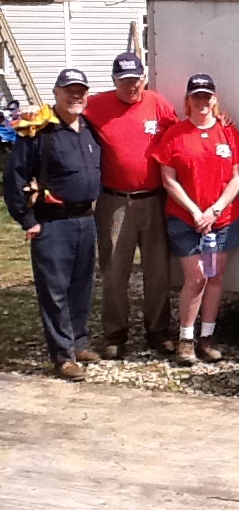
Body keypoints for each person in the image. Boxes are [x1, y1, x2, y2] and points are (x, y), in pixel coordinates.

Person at [2, 69, 102, 380]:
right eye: (69, 90)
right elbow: (14, 178)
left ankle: (78, 342)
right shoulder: (39, 132)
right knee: (55, 290)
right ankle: (62, 356)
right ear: (56, 93)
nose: (76, 96)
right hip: (51, 223)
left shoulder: (88, 129)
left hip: (86, 220)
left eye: (81, 91)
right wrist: (27, 219)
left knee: (81, 285)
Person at [84, 52, 179, 358]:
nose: (131, 87)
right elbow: (66, 117)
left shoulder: (157, 103)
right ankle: (114, 334)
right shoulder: (96, 106)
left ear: (144, 78)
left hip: (153, 199)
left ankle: (158, 331)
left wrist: (219, 114)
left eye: (136, 80)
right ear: (114, 82)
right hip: (114, 201)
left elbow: (181, 132)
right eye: (124, 81)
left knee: (158, 271)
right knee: (114, 271)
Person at [153, 73, 239, 366]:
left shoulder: (229, 133)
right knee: (195, 277)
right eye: (196, 96)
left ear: (214, 99)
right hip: (186, 219)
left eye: (206, 96)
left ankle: (207, 336)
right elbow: (168, 180)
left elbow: (237, 178)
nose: (202, 101)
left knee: (215, 276)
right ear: (188, 100)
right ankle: (185, 338)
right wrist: (196, 212)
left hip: (223, 219)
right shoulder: (175, 134)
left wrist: (215, 210)